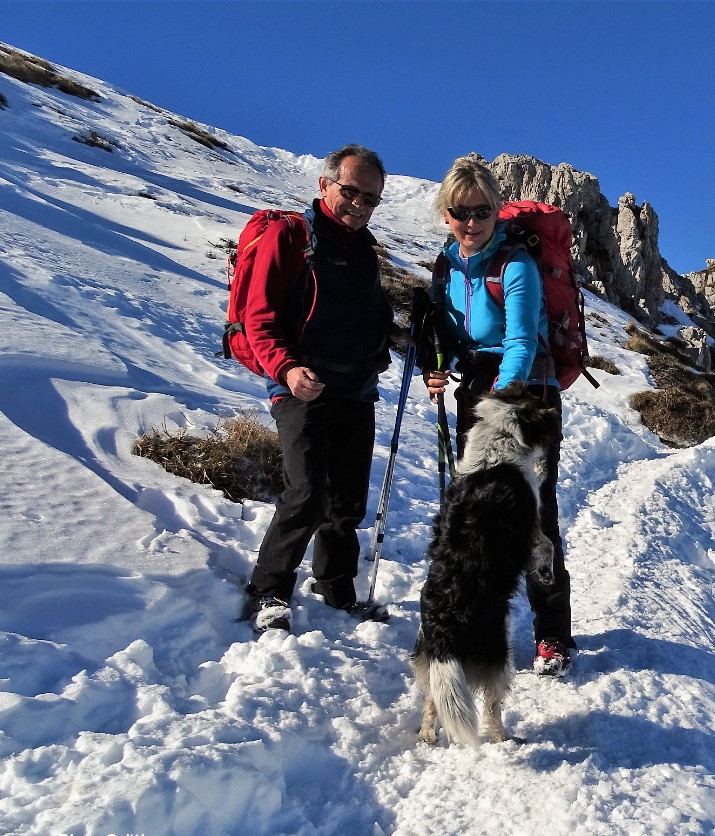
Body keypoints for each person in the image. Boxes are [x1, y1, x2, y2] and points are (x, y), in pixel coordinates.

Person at [421, 156, 576, 677]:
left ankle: (553, 634)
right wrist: (437, 365)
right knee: (474, 513)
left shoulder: (515, 263)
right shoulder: (448, 264)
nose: (471, 221)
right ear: (446, 213)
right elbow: (447, 330)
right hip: (478, 389)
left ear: (496, 211)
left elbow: (520, 338)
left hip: (527, 396)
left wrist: (503, 397)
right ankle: (477, 622)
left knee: (534, 513)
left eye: (482, 211)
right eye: (461, 212)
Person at [241, 144, 394, 635]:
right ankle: (268, 591)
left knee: (347, 501)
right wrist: (285, 371)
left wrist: (396, 335)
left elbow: (366, 316)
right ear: (324, 184)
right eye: (351, 192)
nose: (360, 206)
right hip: (301, 386)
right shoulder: (290, 237)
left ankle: (336, 587)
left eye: (371, 199)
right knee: (306, 492)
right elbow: (258, 319)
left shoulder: (363, 248)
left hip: (356, 388)